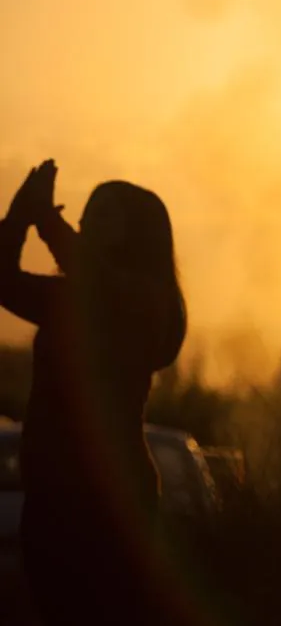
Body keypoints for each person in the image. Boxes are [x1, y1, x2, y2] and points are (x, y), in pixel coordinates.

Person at [0, 161, 187, 626]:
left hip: (109, 504)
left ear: (135, 232)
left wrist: (45, 218)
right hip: (49, 499)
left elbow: (96, 279)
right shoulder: (73, 299)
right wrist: (21, 213)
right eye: (86, 213)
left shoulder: (145, 299)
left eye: (102, 213)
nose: (84, 222)